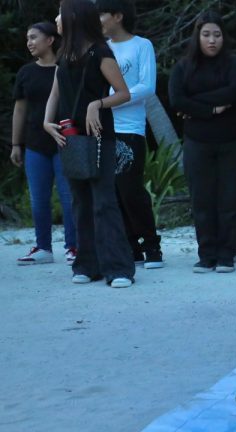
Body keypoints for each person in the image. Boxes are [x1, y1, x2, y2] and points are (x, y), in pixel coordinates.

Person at [43, 0, 135, 288]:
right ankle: (86, 264)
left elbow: (123, 93)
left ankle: (119, 269)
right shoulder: (64, 53)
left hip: (98, 137)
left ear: (74, 17)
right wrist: (46, 122)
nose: (56, 19)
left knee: (104, 201)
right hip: (70, 137)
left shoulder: (100, 52)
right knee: (80, 202)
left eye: (60, 14)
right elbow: (56, 92)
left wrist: (97, 104)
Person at [169, 11, 236, 274]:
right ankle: (206, 255)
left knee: (231, 199)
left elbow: (235, 91)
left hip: (235, 141)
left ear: (223, 37)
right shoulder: (184, 67)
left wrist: (195, 103)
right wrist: (212, 109)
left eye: (217, 34)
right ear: (197, 36)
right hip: (197, 142)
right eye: (206, 34)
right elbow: (176, 100)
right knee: (202, 200)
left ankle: (227, 254)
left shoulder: (235, 64)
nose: (212, 40)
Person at [97, 0, 164, 269]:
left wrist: (108, 101)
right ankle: (129, 247)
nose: (97, 21)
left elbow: (147, 86)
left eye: (101, 14)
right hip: (103, 128)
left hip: (130, 129)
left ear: (118, 16)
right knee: (112, 191)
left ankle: (152, 246)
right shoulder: (100, 49)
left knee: (130, 189)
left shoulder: (141, 45)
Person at [12, 22, 77, 266]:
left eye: (33, 37)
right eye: (27, 38)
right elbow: (20, 110)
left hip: (65, 141)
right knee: (38, 199)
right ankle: (43, 248)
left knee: (69, 197)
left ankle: (74, 247)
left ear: (50, 40)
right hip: (35, 145)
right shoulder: (26, 72)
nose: (29, 43)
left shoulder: (66, 67)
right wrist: (16, 144)